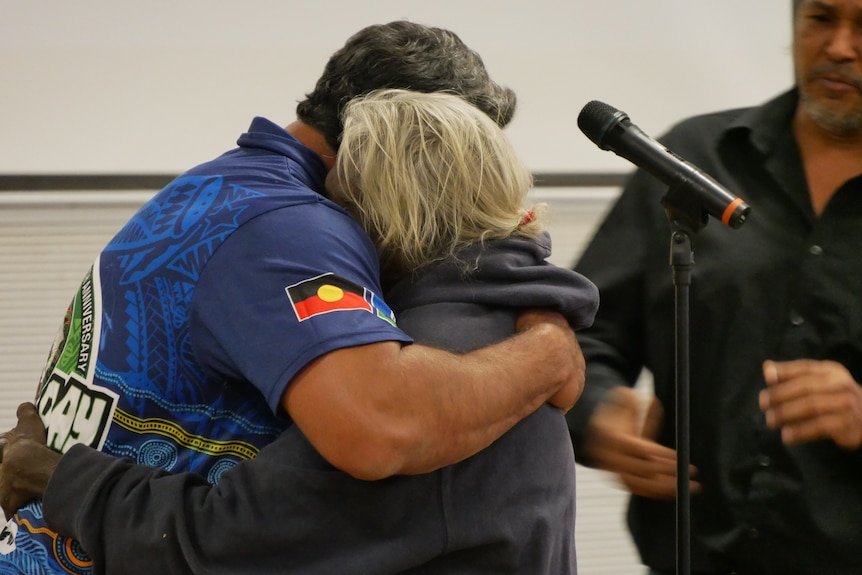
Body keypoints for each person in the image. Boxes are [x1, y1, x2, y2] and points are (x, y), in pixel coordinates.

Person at [0, 21, 586, 575]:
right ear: (395, 141)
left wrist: (56, 479)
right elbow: (378, 426)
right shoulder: (294, 229)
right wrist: (547, 356)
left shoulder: (222, 186)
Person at [565, 1, 862, 573]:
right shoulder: (698, 160)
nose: (840, 47)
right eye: (821, 19)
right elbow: (583, 330)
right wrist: (598, 413)